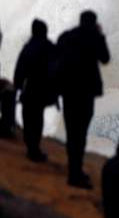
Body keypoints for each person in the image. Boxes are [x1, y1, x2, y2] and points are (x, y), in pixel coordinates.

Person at [54, 10, 110, 188]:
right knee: (81, 132)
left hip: (68, 91)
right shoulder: (94, 36)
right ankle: (75, 174)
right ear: (94, 23)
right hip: (86, 92)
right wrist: (100, 35)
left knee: (72, 132)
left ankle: (74, 170)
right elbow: (105, 58)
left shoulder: (66, 36)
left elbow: (55, 59)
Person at [12, 19, 56, 162]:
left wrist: (18, 86)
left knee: (29, 117)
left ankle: (31, 147)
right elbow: (57, 69)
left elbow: (20, 68)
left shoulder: (28, 46)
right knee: (37, 118)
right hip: (42, 89)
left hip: (30, 88)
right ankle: (34, 148)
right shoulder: (49, 46)